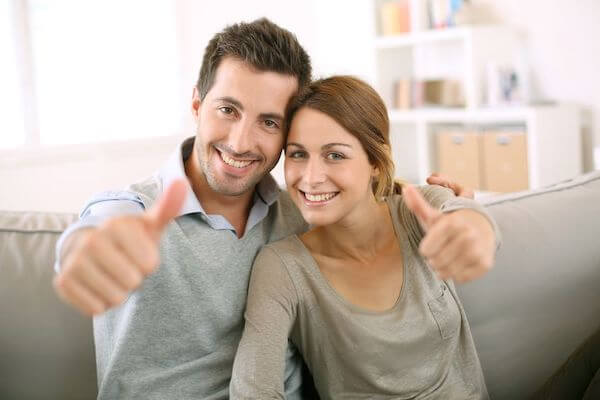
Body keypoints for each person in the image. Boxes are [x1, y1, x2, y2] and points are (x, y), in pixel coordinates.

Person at [52, 19, 471, 399]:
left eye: (268, 122)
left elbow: (372, 194)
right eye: (228, 110)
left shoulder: (300, 214)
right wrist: (90, 250)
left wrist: (452, 205)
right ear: (197, 105)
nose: (240, 141)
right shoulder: (134, 211)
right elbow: (97, 232)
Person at [229, 76, 501, 399]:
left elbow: (468, 219)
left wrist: (474, 228)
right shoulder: (284, 268)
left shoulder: (416, 212)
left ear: (375, 160)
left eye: (335, 155)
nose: (311, 178)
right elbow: (253, 391)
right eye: (298, 154)